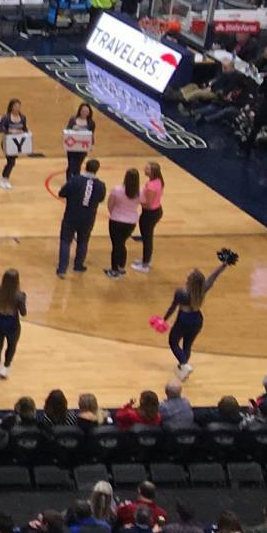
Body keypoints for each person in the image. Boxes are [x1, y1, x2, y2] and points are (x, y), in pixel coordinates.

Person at [159, 252, 237, 382]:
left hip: (183, 319)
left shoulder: (181, 293)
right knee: (187, 344)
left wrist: (164, 319)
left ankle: (184, 364)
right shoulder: (203, 288)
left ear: (189, 281)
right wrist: (224, 265)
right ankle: (183, 368)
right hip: (197, 320)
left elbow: (173, 307)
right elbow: (213, 276)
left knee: (173, 341)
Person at [57, 155, 104, 276]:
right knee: (83, 241)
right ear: (97, 170)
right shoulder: (100, 185)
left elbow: (61, 193)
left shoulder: (75, 180)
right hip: (88, 217)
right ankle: (78, 266)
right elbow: (101, 199)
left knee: (65, 240)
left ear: (85, 167)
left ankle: (62, 269)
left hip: (71, 214)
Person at [0, 268, 26, 380]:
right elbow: (23, 313)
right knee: (11, 346)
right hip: (12, 323)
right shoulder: (20, 295)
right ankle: (5, 368)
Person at [104, 168, 143, 278]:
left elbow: (110, 204)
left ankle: (114, 270)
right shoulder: (140, 192)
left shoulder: (117, 190)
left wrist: (114, 214)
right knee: (121, 244)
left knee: (116, 245)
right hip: (131, 222)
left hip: (116, 220)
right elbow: (143, 202)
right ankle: (121, 267)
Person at [137, 161, 165, 272]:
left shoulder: (152, 186)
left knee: (147, 238)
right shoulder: (158, 181)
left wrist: (136, 200)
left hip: (150, 213)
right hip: (155, 211)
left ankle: (145, 264)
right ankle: (146, 259)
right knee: (147, 237)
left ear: (153, 172)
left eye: (147, 168)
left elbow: (148, 204)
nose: (145, 169)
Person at [0, 97, 32, 186]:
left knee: (12, 162)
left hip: (18, 143)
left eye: (19, 106)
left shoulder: (23, 117)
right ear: (11, 107)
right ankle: (4, 178)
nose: (17, 108)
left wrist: (27, 132)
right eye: (15, 106)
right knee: (11, 161)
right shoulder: (6, 117)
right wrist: (9, 131)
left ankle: (5, 178)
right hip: (7, 143)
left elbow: (24, 128)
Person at [62, 103, 96, 182]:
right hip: (72, 148)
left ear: (89, 113)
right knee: (71, 165)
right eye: (83, 111)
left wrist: (92, 145)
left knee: (78, 165)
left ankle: (76, 182)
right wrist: (73, 128)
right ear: (80, 111)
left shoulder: (91, 123)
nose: (84, 113)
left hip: (83, 148)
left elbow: (91, 135)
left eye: (86, 111)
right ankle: (69, 182)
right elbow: (67, 131)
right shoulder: (73, 120)